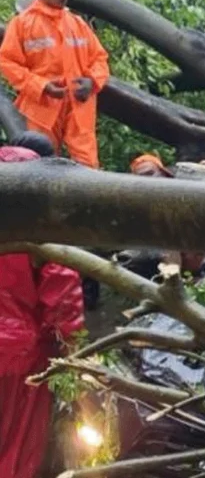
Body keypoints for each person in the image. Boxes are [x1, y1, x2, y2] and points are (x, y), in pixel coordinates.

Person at [0, 145, 85, 478]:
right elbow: (63, 302)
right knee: (14, 446)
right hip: (19, 357)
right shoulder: (41, 228)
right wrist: (74, 356)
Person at [0, 0, 109, 169]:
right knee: (39, 164)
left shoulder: (77, 24)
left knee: (87, 165)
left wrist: (91, 81)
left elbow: (100, 59)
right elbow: (7, 62)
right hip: (41, 107)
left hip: (79, 105)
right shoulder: (22, 24)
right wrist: (41, 86)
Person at [129, 153, 205, 275]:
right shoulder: (137, 210)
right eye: (141, 177)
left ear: (163, 174)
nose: (147, 181)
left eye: (150, 174)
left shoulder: (183, 193)